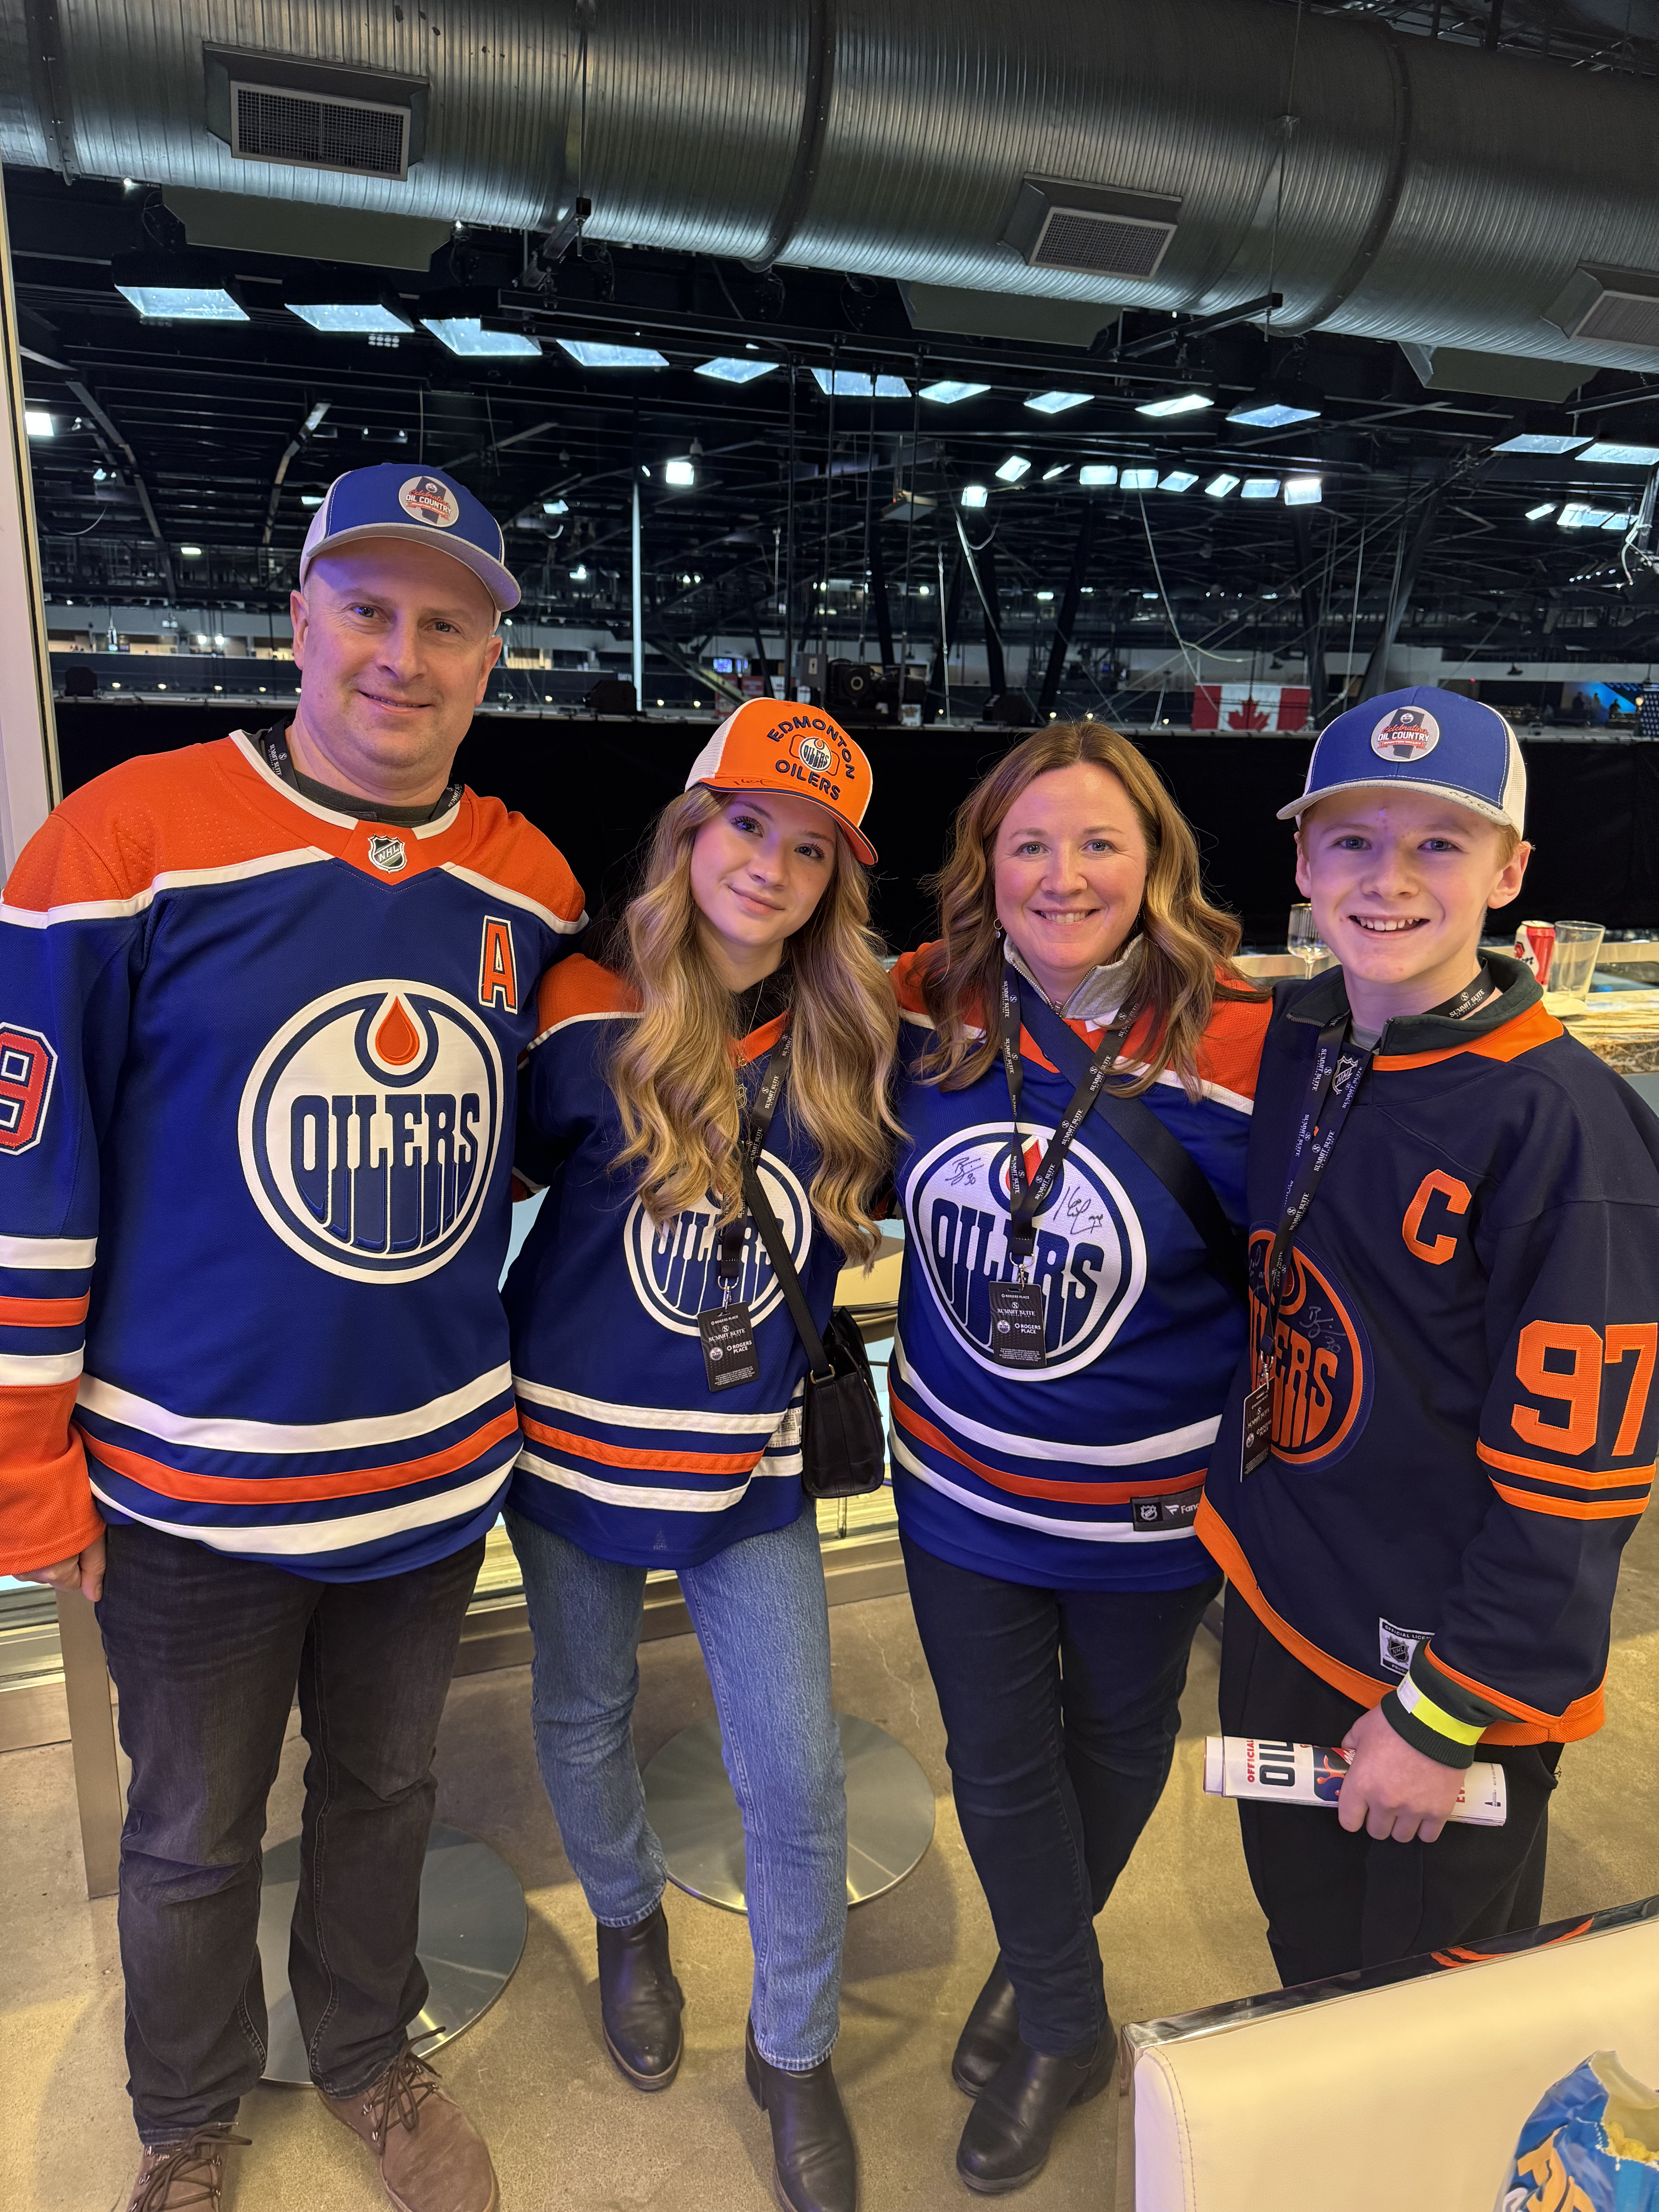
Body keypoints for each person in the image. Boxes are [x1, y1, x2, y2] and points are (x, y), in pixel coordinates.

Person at [0, 464, 587, 2212]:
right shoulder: (119, 840)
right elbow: (33, 1170)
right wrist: (28, 1459)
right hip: (189, 1482)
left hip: (429, 1472)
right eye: (368, 611)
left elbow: (538, 1136)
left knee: (388, 1791)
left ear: (491, 657)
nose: (403, 656)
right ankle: (184, 2122)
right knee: (188, 1833)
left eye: (447, 624)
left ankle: (363, 2055)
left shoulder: (528, 879)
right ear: (299, 619)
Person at [501, 699, 897, 2212]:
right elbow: (484, 1183)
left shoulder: (856, 1031)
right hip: (570, 1447)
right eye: (746, 824)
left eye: (810, 850)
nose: (770, 868)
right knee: (584, 1709)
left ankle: (793, 2052)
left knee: (794, 1773)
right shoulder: (580, 1003)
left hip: (753, 1465)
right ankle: (626, 1923)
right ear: (689, 829)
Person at [1199, 686, 1659, 1984]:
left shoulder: (1563, 1131)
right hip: (1283, 1602)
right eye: (1352, 840)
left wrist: (1443, 1712)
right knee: (1307, 1953)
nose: (1387, 879)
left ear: (1509, 872)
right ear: (1302, 864)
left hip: (1437, 1672)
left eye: (1438, 844)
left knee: (1418, 1992)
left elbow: (1579, 1480)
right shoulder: (1301, 1036)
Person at [888, 722, 1271, 2194]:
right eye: (1029, 843)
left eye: (1099, 842)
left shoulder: (1244, 1040)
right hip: (960, 1489)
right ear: (983, 863)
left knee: (1114, 1745)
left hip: (1151, 1508)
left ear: (1155, 860)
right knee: (994, 1764)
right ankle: (1064, 2019)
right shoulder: (923, 1005)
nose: (1062, 875)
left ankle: (1036, 1968)